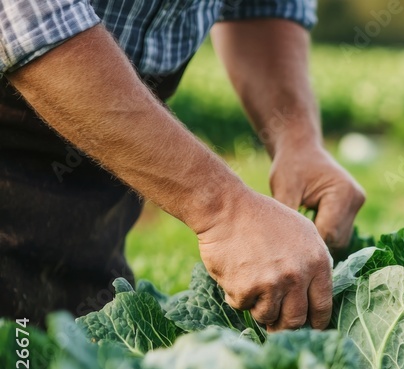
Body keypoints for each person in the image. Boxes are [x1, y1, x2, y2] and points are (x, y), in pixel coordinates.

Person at [0, 0, 365, 331]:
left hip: (103, 162)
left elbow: (259, 7)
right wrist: (225, 211)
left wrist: (297, 140)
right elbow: (33, 22)